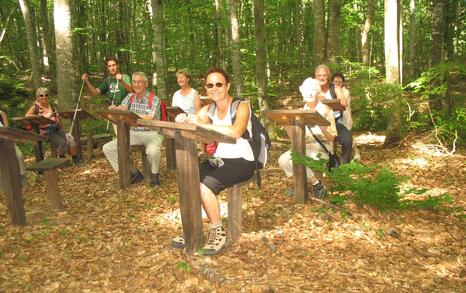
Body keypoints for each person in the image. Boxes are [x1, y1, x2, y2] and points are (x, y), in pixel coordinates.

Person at [171, 67, 256, 255]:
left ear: (227, 85)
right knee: (190, 177)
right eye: (210, 85)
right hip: (220, 159)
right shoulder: (205, 111)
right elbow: (207, 138)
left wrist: (200, 124)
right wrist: (186, 122)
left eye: (219, 84)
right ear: (205, 89)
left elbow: (236, 131)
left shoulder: (241, 106)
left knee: (204, 186)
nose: (215, 88)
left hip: (242, 159)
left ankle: (217, 230)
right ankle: (193, 226)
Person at [278, 76, 337, 199]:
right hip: (302, 147)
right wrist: (287, 125)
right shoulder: (299, 112)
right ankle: (315, 183)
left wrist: (322, 125)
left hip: (320, 149)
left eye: (312, 89)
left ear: (317, 92)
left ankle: (306, 185)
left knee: (299, 158)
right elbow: (294, 139)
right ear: (301, 91)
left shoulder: (326, 109)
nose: (309, 93)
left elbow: (332, 137)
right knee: (283, 159)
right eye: (306, 90)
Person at [102, 72, 164, 188]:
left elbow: (150, 117)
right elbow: (122, 109)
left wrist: (130, 114)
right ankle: (133, 173)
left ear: (146, 84)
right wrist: (114, 110)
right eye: (134, 82)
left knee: (153, 150)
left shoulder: (154, 99)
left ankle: (155, 174)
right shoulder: (130, 97)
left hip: (152, 133)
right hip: (133, 133)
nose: (136, 84)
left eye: (139, 82)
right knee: (108, 148)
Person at [25, 88, 81, 164]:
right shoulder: (35, 107)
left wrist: (58, 117)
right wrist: (45, 116)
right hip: (45, 131)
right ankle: (62, 159)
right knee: (62, 143)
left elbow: (60, 125)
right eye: (41, 95)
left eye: (46, 95)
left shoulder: (51, 106)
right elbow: (27, 116)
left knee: (71, 139)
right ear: (38, 97)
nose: (44, 97)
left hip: (56, 128)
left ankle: (76, 159)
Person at [0, 110, 27, 189]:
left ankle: (22, 178)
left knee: (19, 156)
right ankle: (2, 184)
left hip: (7, 140)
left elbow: (7, 129)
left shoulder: (1, 113)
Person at [331, 72, 353, 163]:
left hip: (340, 121)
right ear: (332, 82)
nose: (337, 83)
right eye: (335, 81)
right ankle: (332, 162)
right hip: (327, 122)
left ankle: (345, 162)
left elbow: (342, 102)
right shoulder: (326, 90)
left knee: (347, 140)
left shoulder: (345, 92)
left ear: (343, 83)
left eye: (340, 81)